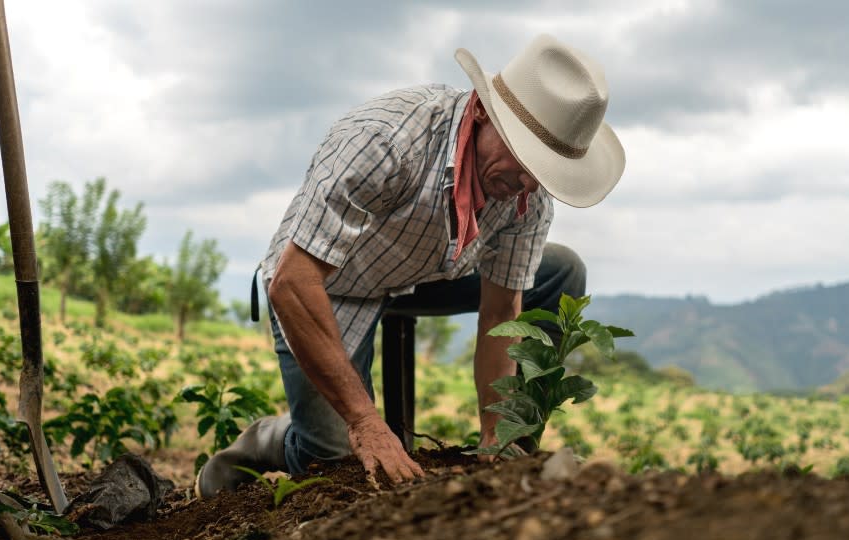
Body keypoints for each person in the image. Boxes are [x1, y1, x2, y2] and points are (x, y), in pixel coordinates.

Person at [195, 34, 625, 497]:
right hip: (329, 282)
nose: (526, 185)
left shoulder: (526, 194)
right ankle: (269, 438)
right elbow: (293, 282)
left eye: (542, 173)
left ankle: (514, 449)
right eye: (524, 160)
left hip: (426, 272)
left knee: (561, 271)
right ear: (482, 111)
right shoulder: (385, 141)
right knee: (335, 458)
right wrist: (364, 421)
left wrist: (495, 438)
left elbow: (502, 313)